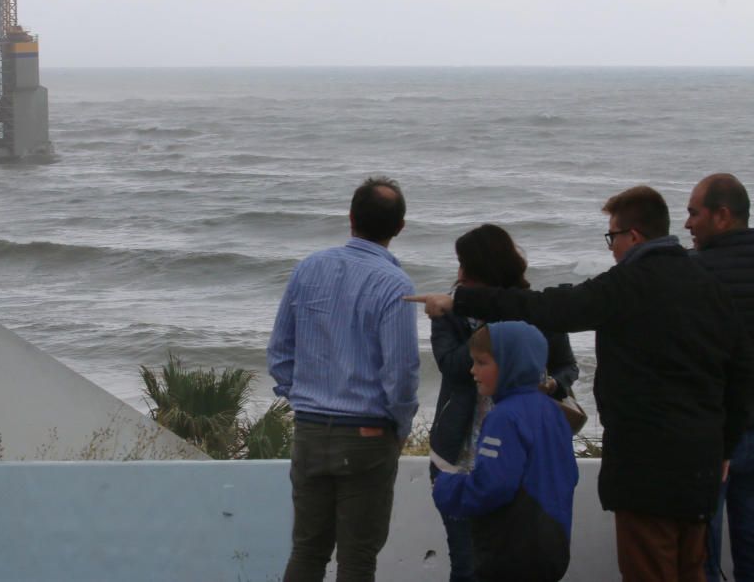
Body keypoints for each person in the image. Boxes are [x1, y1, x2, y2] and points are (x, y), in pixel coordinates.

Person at [411, 185, 754, 582]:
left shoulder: (626, 285)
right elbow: (741, 371)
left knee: (650, 568)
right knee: (692, 568)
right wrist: (725, 447)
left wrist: (461, 302)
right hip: (701, 463)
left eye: (613, 236)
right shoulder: (708, 284)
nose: (611, 248)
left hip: (645, 465)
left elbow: (549, 309)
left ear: (634, 236)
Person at [268, 176, 420, 582]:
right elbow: (401, 372)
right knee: (357, 560)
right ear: (400, 227)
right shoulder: (394, 285)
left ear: (350, 218)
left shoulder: (309, 268)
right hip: (368, 435)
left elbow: (280, 354)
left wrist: (301, 398)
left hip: (311, 430)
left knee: (307, 551)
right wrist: (399, 426)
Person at [429, 224, 579, 582]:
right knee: (466, 563)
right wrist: (486, 333)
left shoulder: (535, 310)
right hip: (460, 447)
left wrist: (544, 377)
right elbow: (452, 368)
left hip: (519, 444)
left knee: (504, 558)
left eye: (466, 265)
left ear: (487, 268)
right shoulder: (450, 312)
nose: (460, 274)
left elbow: (566, 365)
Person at [685, 173, 754, 582]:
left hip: (713, 435)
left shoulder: (694, 274)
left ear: (722, 216)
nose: (688, 223)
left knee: (701, 553)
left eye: (695, 213)